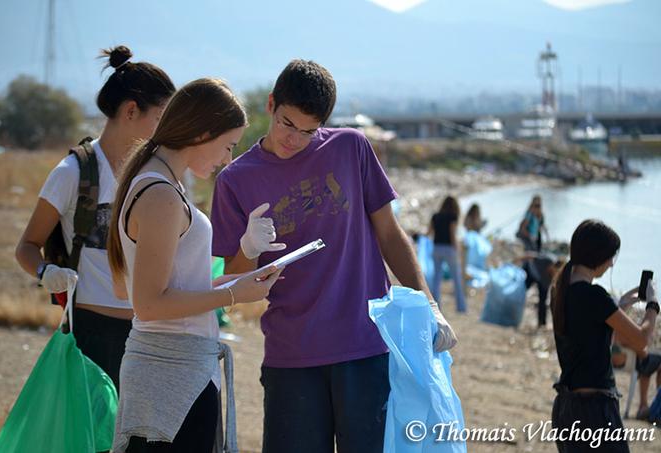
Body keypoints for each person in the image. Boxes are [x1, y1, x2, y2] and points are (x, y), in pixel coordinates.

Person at [210, 59, 457, 453]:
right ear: (271, 104)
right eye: (287, 124)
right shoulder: (234, 180)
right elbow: (236, 283)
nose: (294, 139)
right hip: (291, 357)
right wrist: (246, 248)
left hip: (365, 346)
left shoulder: (350, 147)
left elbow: (390, 235)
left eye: (308, 132)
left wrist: (429, 303)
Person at [106, 78, 284, 452]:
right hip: (172, 373)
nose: (228, 159)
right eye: (227, 146)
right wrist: (233, 293)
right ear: (203, 133)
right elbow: (149, 304)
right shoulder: (161, 194)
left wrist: (242, 272)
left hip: (176, 370)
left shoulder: (159, 183)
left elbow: (161, 289)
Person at [15, 45, 175, 390]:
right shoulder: (72, 172)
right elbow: (27, 246)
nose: (165, 130)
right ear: (132, 111)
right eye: (161, 117)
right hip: (90, 332)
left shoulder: (155, 175)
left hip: (145, 331)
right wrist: (46, 271)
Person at [550, 219, 659, 452]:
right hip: (595, 413)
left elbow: (587, 337)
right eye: (611, 257)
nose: (611, 265)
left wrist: (617, 307)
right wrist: (653, 306)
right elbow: (642, 340)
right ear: (598, 256)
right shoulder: (595, 296)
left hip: (566, 409)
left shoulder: (559, 290)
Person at [429, 195, 466, 312]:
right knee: (456, 278)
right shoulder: (453, 216)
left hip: (436, 248)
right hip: (449, 248)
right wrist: (457, 248)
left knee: (437, 279)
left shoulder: (435, 216)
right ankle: (461, 307)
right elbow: (452, 234)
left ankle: (436, 306)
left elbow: (429, 232)